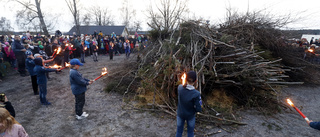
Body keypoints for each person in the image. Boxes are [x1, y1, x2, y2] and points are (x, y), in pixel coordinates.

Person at [176, 71, 202, 137]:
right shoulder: (196, 94)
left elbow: (183, 86)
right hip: (190, 116)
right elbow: (199, 109)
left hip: (180, 114)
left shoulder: (180, 88)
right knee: (190, 132)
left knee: (179, 131)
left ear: (186, 79)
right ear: (195, 81)